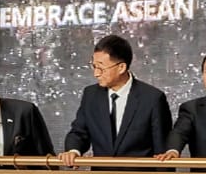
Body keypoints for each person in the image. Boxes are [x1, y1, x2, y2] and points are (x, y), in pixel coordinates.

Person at [59, 34, 171, 167]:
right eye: (94, 66)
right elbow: (79, 133)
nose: (96, 73)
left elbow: (162, 151)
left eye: (101, 68)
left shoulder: (152, 98)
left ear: (121, 67)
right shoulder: (91, 95)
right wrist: (73, 151)